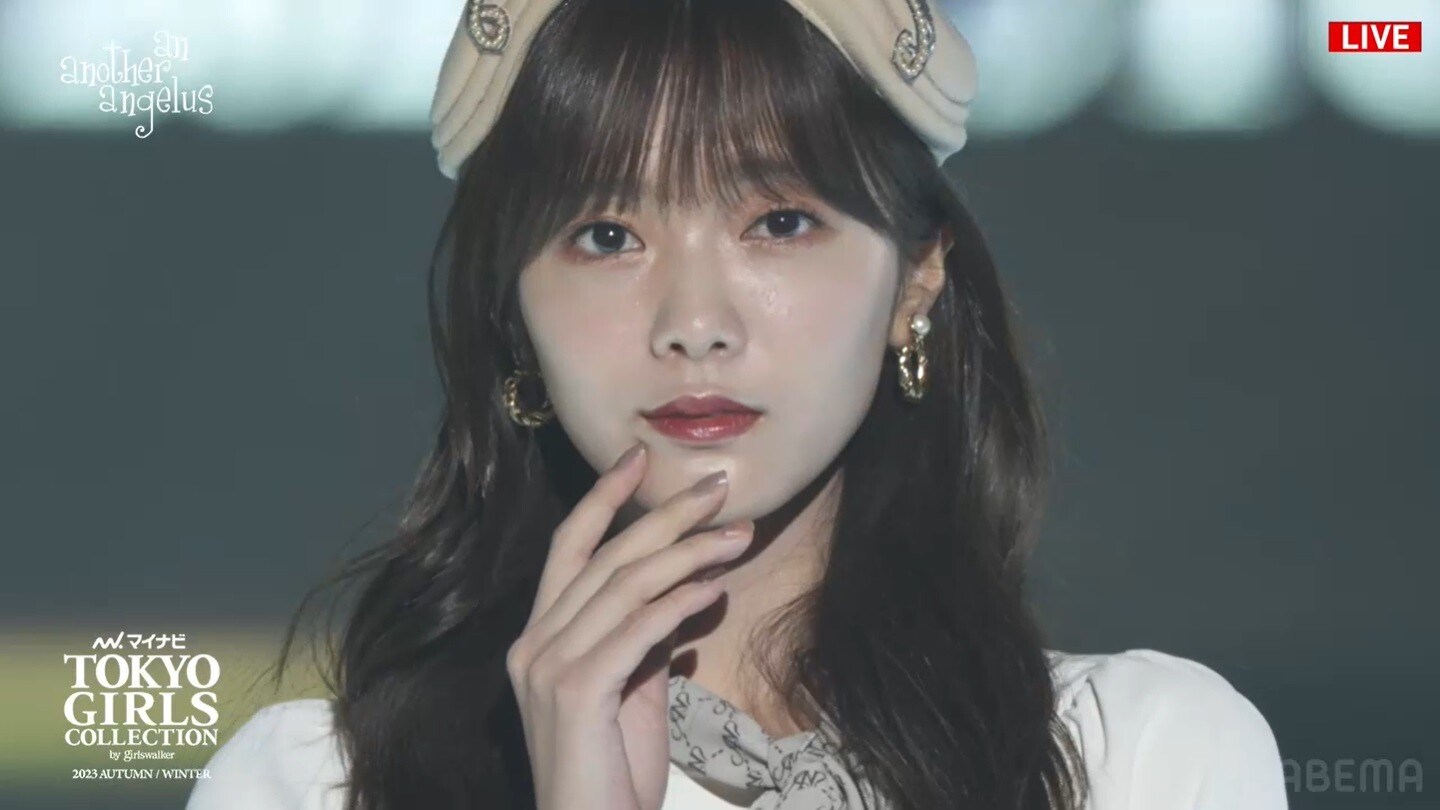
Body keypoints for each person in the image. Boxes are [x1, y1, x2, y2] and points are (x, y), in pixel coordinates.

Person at [187, 0, 1288, 808]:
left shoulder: (1135, 760)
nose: (695, 321)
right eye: (607, 236)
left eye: (778, 223)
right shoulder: (315, 786)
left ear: (916, 280)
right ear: (511, 313)